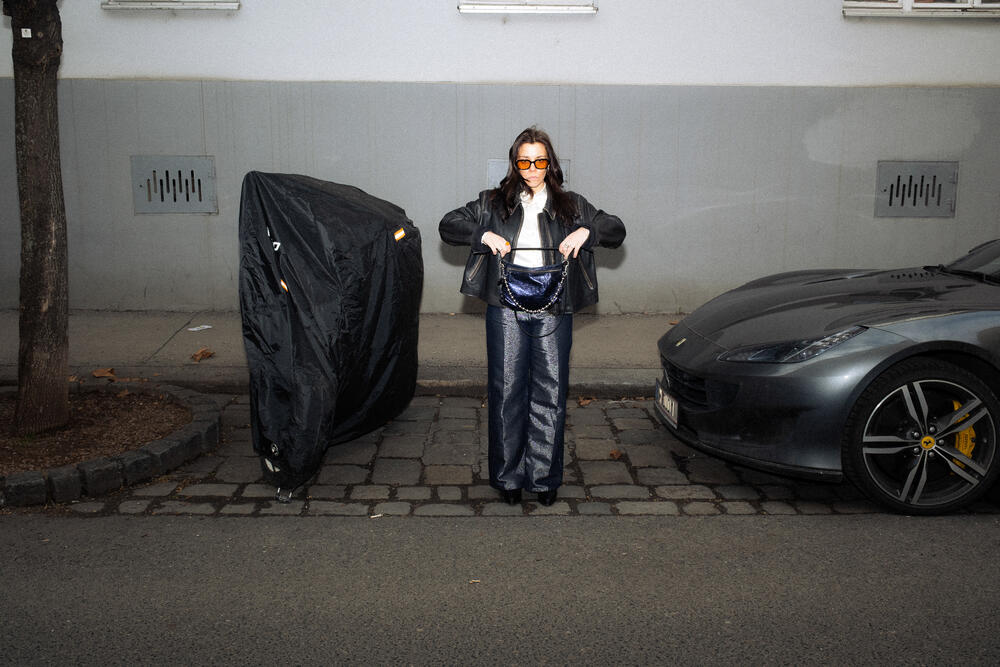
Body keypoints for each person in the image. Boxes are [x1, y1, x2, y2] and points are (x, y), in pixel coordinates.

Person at [439, 126, 626, 506]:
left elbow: (616, 229)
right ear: (514, 163)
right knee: (506, 391)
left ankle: (543, 479)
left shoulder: (570, 203)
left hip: (554, 305)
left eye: (540, 161)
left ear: (550, 163)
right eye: (524, 161)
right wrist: (483, 235)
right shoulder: (492, 202)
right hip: (505, 303)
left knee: (551, 392)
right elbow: (448, 225)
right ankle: (508, 478)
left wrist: (586, 232)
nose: (532, 169)